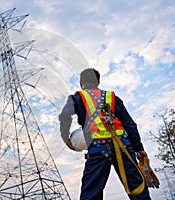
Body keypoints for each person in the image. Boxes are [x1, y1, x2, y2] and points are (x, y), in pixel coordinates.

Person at [59, 68, 151, 200]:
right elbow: (129, 124)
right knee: (138, 190)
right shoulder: (112, 97)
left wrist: (66, 138)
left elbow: (64, 116)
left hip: (98, 151)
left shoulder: (77, 98)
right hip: (124, 148)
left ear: (81, 83)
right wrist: (138, 148)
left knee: (90, 195)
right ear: (98, 82)